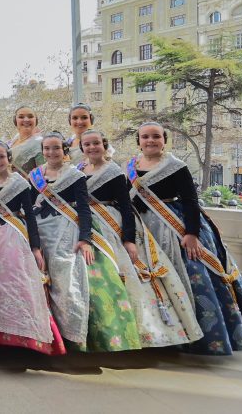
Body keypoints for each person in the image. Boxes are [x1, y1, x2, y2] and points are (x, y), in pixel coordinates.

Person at [129, 122, 242, 355]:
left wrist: (191, 234)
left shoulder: (176, 167)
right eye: (145, 137)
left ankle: (197, 338)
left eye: (156, 136)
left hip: (175, 228)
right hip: (143, 229)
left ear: (165, 139)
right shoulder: (130, 166)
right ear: (138, 141)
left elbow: (191, 201)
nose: (150, 140)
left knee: (190, 279)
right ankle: (162, 334)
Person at [78, 129, 201, 348]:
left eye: (96, 143)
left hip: (131, 226)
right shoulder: (82, 170)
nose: (92, 147)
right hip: (92, 227)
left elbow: (127, 207)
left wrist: (129, 239)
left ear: (104, 145)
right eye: (87, 144)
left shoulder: (117, 170)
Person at [30, 132, 140, 352]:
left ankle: (71, 334)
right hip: (42, 230)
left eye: (56, 148)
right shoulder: (36, 175)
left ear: (65, 151)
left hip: (67, 228)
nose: (51, 153)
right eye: (47, 148)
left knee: (67, 276)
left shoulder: (75, 175)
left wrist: (85, 239)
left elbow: (83, 208)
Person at [0, 141, 65, 355]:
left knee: (19, 284)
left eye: (1, 157)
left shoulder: (21, 183)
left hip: (13, 238)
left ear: (9, 158)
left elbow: (31, 217)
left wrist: (35, 247)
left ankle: (26, 336)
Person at [9, 106, 45, 174]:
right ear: (15, 120)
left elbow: (43, 173)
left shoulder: (41, 144)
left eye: (30, 116)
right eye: (21, 117)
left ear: (36, 120)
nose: (26, 120)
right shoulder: (13, 141)